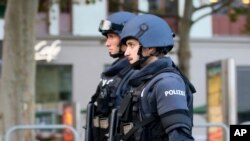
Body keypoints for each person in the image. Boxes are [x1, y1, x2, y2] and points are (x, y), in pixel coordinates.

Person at [114, 14, 196, 141]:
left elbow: (180, 137)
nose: (126, 52)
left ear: (150, 47)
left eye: (132, 45)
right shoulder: (146, 81)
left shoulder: (168, 83)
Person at [85, 11, 137, 141]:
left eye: (112, 36)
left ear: (127, 38)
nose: (107, 43)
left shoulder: (136, 74)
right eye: (107, 37)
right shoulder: (112, 73)